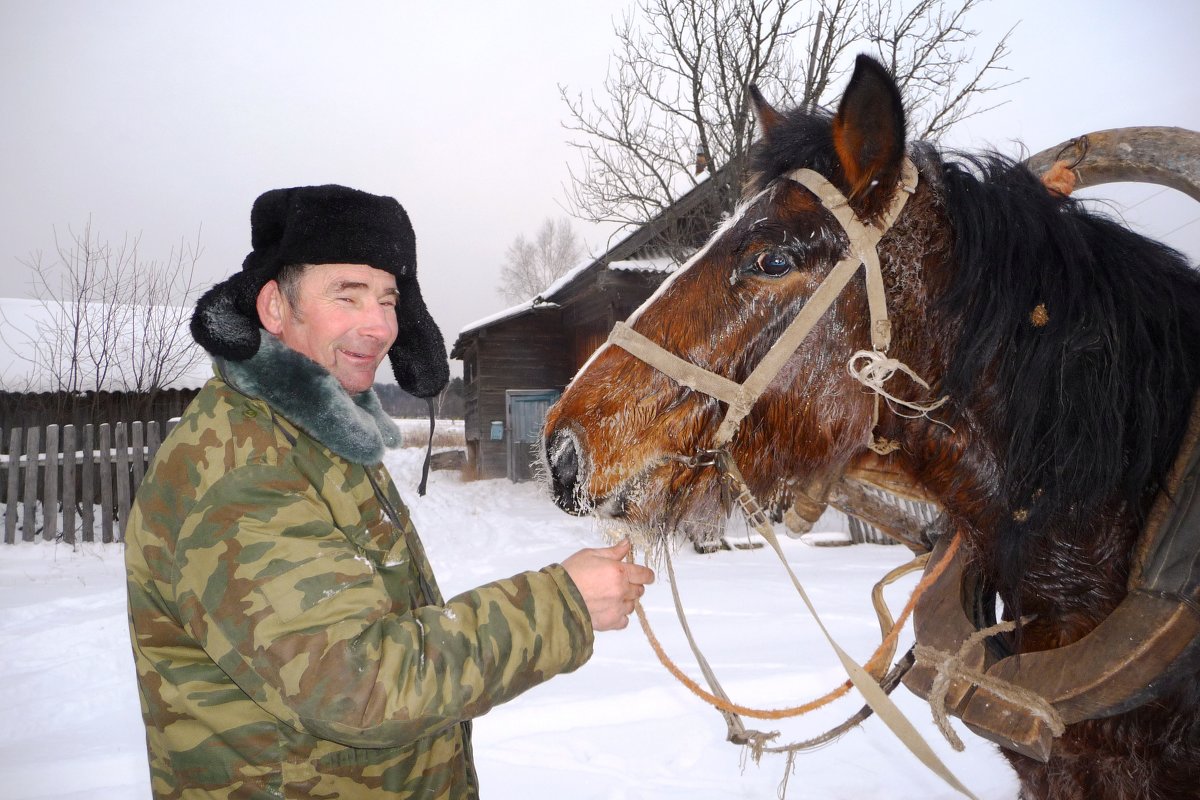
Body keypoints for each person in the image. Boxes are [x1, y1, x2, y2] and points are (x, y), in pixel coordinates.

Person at [124, 184, 655, 799]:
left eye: (387, 299)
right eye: (345, 296)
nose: (377, 326)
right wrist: (561, 606)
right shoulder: (241, 470)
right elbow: (359, 688)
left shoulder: (321, 440)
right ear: (274, 307)